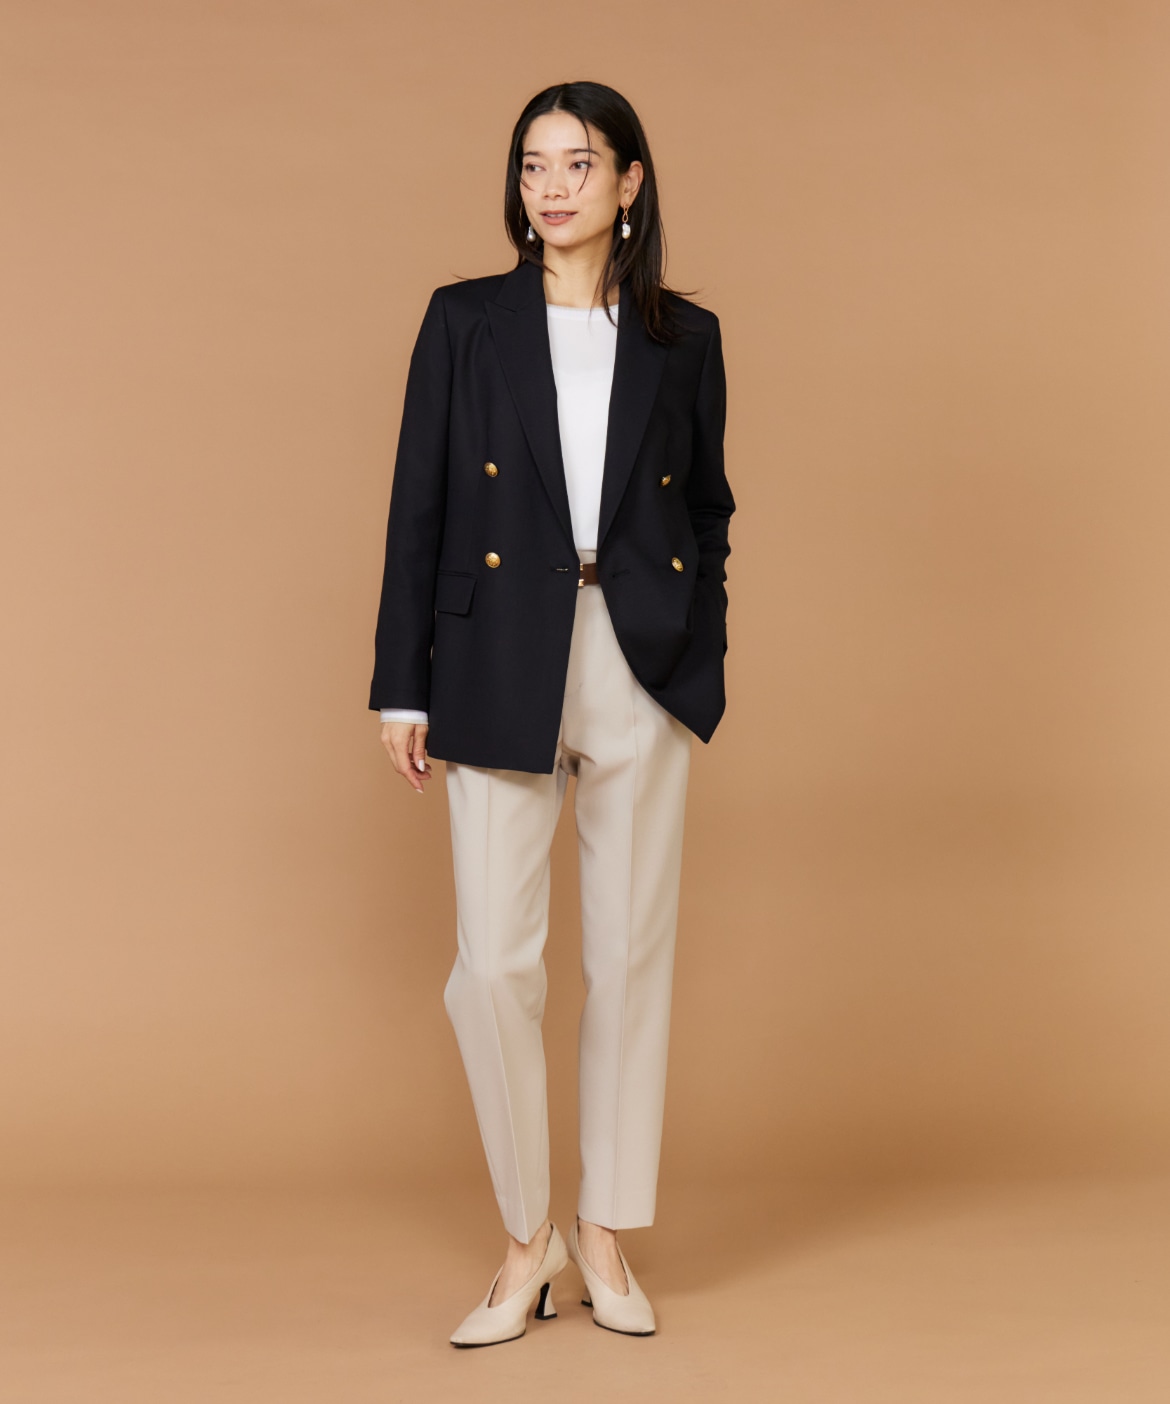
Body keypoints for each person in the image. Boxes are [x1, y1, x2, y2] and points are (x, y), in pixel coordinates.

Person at [369, 79, 734, 1347]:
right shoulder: (465, 321)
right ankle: (529, 1238)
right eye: (533, 164)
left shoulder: (685, 338)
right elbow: (418, 503)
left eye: (578, 163)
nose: (552, 186)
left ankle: (606, 1231)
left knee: (630, 956)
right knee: (493, 965)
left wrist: (699, 648)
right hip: (494, 653)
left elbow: (708, 511)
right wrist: (402, 682)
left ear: (629, 182)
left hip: (638, 659)